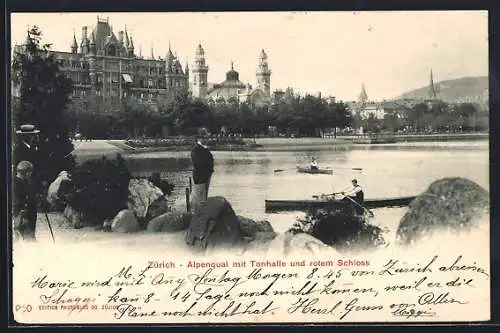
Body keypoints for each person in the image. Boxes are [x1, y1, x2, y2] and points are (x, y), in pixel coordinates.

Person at [13, 160, 38, 241]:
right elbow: (20, 201)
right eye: (30, 172)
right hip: (23, 216)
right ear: (26, 172)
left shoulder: (22, 182)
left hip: (23, 216)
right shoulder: (18, 184)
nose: (30, 174)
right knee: (28, 240)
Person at [190, 138, 214, 212]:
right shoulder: (196, 150)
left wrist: (210, 171)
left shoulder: (203, 149)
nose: (206, 140)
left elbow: (209, 160)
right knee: (200, 196)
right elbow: (199, 163)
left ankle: (201, 211)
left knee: (202, 195)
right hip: (201, 175)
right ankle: (200, 212)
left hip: (205, 174)